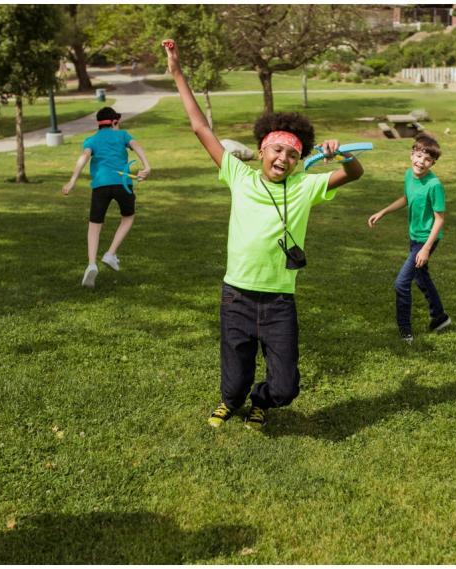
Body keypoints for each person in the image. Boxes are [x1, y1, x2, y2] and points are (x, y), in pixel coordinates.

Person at [163, 39, 365, 430]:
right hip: (236, 294)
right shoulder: (237, 175)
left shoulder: (306, 186)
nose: (283, 159)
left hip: (278, 301)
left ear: (298, 161)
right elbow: (199, 126)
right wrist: (176, 71)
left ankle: (263, 399)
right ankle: (232, 400)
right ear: (259, 151)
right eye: (276, 151)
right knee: (233, 375)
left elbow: (354, 175)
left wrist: (345, 155)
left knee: (286, 386)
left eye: (292, 155)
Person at [368, 134, 450, 343]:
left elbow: (439, 219)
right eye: (418, 156)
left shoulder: (434, 185)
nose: (420, 162)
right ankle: (439, 317)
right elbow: (407, 197)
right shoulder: (408, 175)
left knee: (401, 283)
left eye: (427, 160)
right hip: (414, 237)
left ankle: (405, 330)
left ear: (433, 163)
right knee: (421, 277)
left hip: (426, 240)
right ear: (411, 154)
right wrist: (383, 212)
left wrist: (425, 249)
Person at [62, 107, 151, 288]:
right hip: (122, 184)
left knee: (95, 225)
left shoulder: (92, 140)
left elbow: (84, 157)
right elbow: (137, 146)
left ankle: (92, 264)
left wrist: (72, 181)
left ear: (99, 124)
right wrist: (147, 166)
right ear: (114, 122)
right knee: (128, 217)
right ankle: (110, 254)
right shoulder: (123, 135)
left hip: (100, 186)